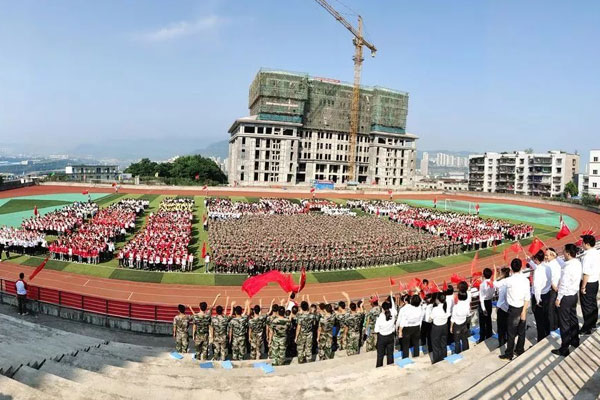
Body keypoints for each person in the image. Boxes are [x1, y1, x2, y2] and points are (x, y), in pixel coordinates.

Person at [552, 244, 583, 357]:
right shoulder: (577, 262)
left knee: (564, 323)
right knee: (573, 318)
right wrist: (556, 257)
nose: (562, 253)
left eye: (564, 251)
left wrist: (558, 298)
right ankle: (575, 340)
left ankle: (564, 348)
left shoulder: (568, 268)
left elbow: (563, 285)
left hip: (565, 297)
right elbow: (564, 264)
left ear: (568, 253)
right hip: (573, 295)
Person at [499, 259, 530, 361]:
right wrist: (524, 311)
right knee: (521, 331)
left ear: (511, 268)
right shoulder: (525, 280)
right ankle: (519, 349)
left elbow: (495, 284)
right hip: (522, 307)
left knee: (511, 333)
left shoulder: (508, 281)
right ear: (521, 267)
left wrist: (500, 273)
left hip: (513, 309)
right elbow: (527, 297)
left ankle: (509, 354)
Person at [189, 293, 220, 361]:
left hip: (198, 335)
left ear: (199, 307)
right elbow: (212, 306)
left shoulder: (196, 316)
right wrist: (216, 297)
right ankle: (205, 361)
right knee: (205, 350)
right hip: (206, 335)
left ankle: (197, 360)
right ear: (206, 308)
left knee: (198, 351)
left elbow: (194, 326)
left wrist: (193, 335)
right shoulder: (207, 316)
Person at [529, 250, 551, 341]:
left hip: (539, 297)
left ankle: (541, 339)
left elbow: (537, 287)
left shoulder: (538, 270)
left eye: (534, 259)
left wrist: (537, 301)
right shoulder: (547, 266)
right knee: (546, 317)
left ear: (537, 259)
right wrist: (529, 261)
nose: (534, 261)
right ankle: (547, 334)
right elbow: (537, 267)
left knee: (539, 320)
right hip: (547, 294)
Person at [579, 235, 599, 335]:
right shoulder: (596, 252)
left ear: (587, 244)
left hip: (588, 283)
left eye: (583, 242)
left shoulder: (587, 256)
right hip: (595, 282)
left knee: (586, 306)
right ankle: (593, 324)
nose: (581, 244)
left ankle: (587, 328)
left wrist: (583, 286)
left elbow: (586, 273)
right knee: (592, 304)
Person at [397, 294, 423, 359]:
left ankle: (405, 359)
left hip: (407, 329)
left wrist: (400, 331)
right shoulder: (421, 308)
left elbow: (403, 321)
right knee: (416, 344)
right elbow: (420, 319)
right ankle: (417, 357)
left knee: (405, 345)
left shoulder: (407, 309)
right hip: (416, 327)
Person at [374, 295, 397, 368]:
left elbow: (376, 330)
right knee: (390, 354)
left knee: (380, 355)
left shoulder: (380, 318)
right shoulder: (393, 314)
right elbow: (393, 307)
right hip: (390, 336)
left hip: (382, 337)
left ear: (382, 309)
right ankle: (390, 366)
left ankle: (379, 367)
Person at [428, 293, 450, 363]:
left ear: (437, 300)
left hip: (436, 328)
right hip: (444, 327)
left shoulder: (435, 309)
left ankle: (437, 360)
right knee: (443, 344)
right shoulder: (447, 307)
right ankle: (444, 358)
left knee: (435, 345)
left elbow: (430, 319)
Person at [451, 282, 471, 354]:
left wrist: (451, 327)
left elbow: (453, 319)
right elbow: (468, 313)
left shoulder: (456, 307)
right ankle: (466, 351)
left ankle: (457, 353)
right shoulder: (467, 305)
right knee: (464, 338)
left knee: (457, 341)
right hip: (464, 323)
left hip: (457, 325)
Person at [545, 248, 562, 331]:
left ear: (552, 255)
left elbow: (550, 278)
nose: (546, 257)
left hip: (553, 289)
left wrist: (554, 286)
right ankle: (557, 326)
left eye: (547, 255)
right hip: (557, 288)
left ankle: (553, 328)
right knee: (555, 310)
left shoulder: (550, 265)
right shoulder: (557, 263)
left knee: (551, 311)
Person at [494, 267, 511, 347]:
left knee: (501, 327)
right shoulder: (510, 280)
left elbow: (494, 283)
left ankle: (502, 343)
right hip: (510, 307)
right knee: (507, 325)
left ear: (503, 274)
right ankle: (507, 340)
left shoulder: (503, 283)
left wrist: (495, 272)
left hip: (502, 307)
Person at [478, 268, 495, 342]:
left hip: (484, 304)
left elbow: (481, 298)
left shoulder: (482, 284)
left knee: (482, 322)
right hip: (489, 302)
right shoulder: (492, 283)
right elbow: (493, 294)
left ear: (483, 275)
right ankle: (489, 334)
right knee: (488, 320)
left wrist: (483, 309)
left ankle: (482, 338)